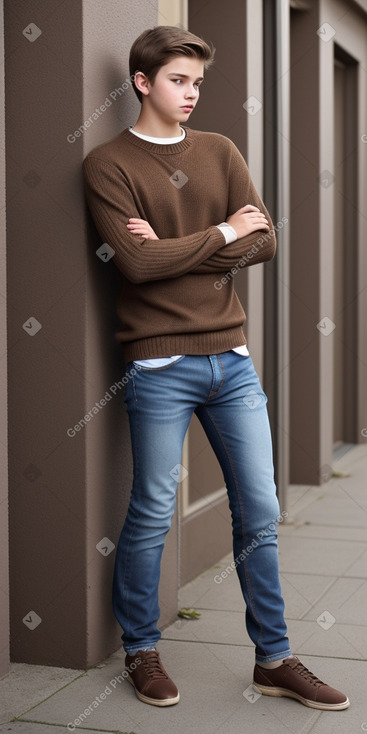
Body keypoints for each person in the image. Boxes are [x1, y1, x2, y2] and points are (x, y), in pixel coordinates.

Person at [83, 25, 349, 712]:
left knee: (258, 510)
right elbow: (136, 268)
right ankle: (141, 649)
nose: (191, 93)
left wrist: (197, 245)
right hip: (157, 364)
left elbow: (263, 243)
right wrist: (223, 233)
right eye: (177, 80)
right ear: (143, 83)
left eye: (196, 82)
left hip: (230, 363)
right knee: (151, 510)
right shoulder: (108, 164)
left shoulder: (220, 150)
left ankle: (274, 659)